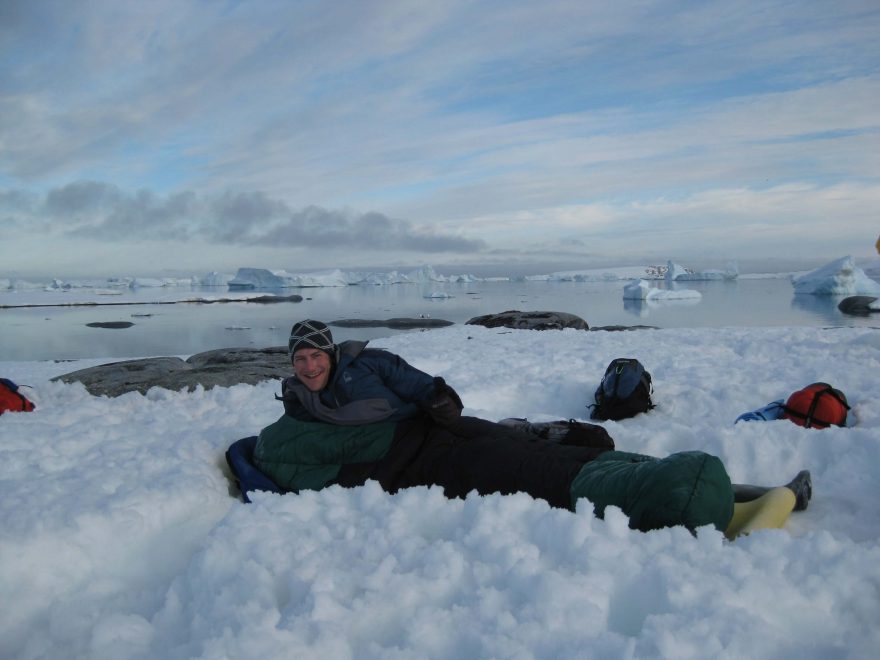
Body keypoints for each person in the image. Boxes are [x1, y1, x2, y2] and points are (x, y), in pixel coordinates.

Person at [240, 320, 809, 535]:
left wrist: (441, 402)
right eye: (300, 359)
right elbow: (283, 464)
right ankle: (667, 494)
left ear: (330, 353)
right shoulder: (294, 418)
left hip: (440, 430)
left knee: (531, 446)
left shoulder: (369, 364)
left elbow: (420, 385)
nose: (309, 366)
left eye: (315, 355)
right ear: (291, 365)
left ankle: (672, 478)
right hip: (420, 460)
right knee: (523, 469)